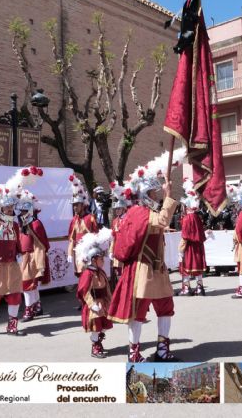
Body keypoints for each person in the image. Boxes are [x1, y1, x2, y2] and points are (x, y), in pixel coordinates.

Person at [108, 148, 185, 362]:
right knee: (139, 313)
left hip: (156, 269)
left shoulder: (141, 212)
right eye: (153, 194)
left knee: (166, 307)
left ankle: (162, 349)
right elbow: (162, 221)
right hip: (144, 269)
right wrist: (169, 196)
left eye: (156, 193)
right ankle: (134, 353)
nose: (155, 196)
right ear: (144, 195)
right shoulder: (140, 213)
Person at [0, 168, 40, 337]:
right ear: (0, 209)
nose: (11, 210)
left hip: (11, 265)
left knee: (14, 296)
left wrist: (19, 254)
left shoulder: (15, 225)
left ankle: (12, 326)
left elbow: (18, 243)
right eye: (7, 207)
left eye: (12, 207)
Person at [75, 228, 114, 358]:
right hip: (95, 303)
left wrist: (111, 300)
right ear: (93, 260)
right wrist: (92, 305)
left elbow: (107, 288)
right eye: (100, 259)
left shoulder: (100, 271)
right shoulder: (88, 274)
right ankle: (95, 346)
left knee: (105, 325)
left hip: (104, 302)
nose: (103, 261)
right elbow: (84, 290)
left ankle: (98, 340)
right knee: (96, 326)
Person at [17, 186, 51, 323]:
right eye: (21, 211)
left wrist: (39, 262)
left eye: (25, 211)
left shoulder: (36, 224)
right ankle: (37, 306)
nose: (22, 213)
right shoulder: (23, 225)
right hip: (24, 257)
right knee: (30, 285)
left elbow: (41, 245)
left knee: (27, 285)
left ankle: (28, 310)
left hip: (32, 258)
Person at [178, 179, 208, 296]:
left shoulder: (187, 219)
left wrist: (180, 251)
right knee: (197, 267)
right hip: (198, 247)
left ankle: (186, 288)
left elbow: (185, 236)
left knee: (184, 267)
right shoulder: (197, 217)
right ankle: (200, 287)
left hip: (189, 247)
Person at [67, 175, 99, 278]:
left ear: (83, 205)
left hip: (89, 252)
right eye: (74, 205)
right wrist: (69, 253)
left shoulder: (90, 218)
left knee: (90, 277)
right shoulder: (74, 220)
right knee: (81, 276)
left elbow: (96, 236)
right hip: (78, 252)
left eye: (77, 205)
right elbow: (72, 239)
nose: (75, 207)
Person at [108, 182, 132, 291]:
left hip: (126, 250)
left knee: (126, 272)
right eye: (116, 209)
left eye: (119, 209)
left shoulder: (128, 219)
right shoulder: (114, 221)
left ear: (123, 209)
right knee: (118, 273)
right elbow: (113, 237)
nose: (117, 211)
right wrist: (110, 251)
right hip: (117, 249)